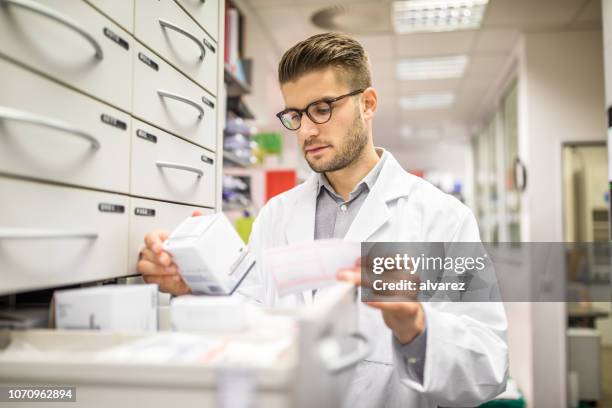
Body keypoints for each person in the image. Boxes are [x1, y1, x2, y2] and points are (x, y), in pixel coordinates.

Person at [138, 32, 508, 408]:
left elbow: (490, 365)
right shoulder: (276, 216)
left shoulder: (444, 218)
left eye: (322, 108)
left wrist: (417, 327)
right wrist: (196, 284)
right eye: (295, 115)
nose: (306, 130)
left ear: (367, 103)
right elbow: (248, 318)